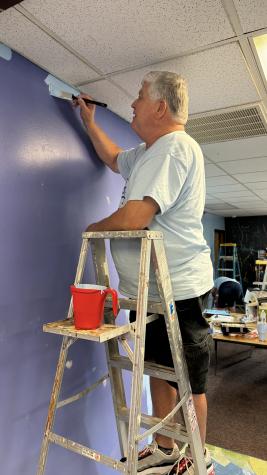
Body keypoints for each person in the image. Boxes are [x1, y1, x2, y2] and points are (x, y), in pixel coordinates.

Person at [74, 71, 214, 475]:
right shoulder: (149, 151)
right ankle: (165, 447)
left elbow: (135, 217)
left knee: (188, 382)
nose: (132, 104)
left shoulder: (173, 148)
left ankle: (195, 461)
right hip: (148, 291)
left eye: (138, 97)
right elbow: (114, 157)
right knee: (157, 369)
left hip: (177, 291)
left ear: (160, 107)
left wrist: (92, 230)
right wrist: (89, 123)